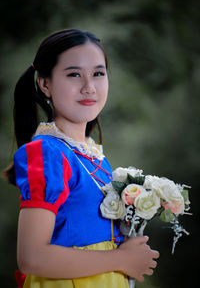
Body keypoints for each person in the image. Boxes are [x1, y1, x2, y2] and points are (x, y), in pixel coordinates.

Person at [6, 29, 159, 288]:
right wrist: (119, 258)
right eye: (74, 74)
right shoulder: (48, 153)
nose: (89, 87)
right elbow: (32, 258)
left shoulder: (92, 155)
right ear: (45, 84)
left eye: (98, 73)